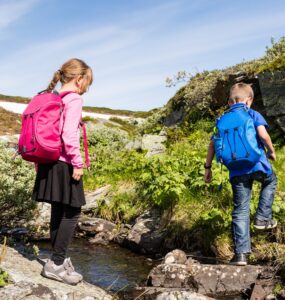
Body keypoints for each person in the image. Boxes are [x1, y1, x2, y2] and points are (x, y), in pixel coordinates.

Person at [32, 58, 93, 284]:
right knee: (73, 212)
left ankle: (58, 259)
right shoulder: (74, 99)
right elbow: (68, 135)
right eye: (88, 82)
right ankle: (57, 264)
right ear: (79, 79)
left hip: (49, 162)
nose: (87, 87)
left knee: (58, 212)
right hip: (64, 163)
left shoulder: (55, 98)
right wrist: (77, 162)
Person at [204, 82, 278, 266]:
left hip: (236, 171)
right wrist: (272, 151)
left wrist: (208, 168)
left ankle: (241, 256)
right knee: (271, 181)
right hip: (257, 165)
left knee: (240, 210)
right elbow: (263, 135)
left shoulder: (220, 120)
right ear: (249, 100)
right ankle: (262, 217)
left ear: (230, 101)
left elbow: (212, 145)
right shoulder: (252, 113)